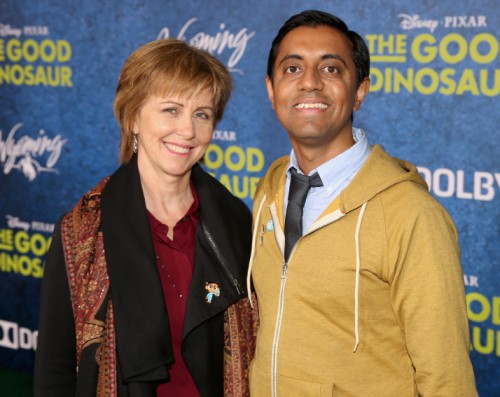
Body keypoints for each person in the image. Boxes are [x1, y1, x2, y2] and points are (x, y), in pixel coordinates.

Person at [246, 10, 478, 396]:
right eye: (292, 69)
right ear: (271, 90)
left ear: (360, 91)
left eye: (331, 69)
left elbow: (447, 377)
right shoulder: (269, 190)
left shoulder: (411, 214)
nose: (309, 83)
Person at [34, 39, 257, 397]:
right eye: (171, 109)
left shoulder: (235, 220)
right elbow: (55, 370)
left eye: (202, 114)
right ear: (133, 116)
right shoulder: (82, 233)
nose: (188, 130)